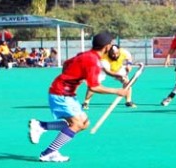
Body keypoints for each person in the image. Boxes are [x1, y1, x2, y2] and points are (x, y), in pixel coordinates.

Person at [28, 32, 128, 162]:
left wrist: (70, 77)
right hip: (60, 93)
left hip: (66, 92)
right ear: (107, 47)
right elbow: (94, 87)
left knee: (85, 123)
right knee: (77, 124)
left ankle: (42, 126)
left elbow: (66, 64)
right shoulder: (93, 61)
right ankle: (48, 152)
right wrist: (117, 91)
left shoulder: (87, 55)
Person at [82, 44, 136, 109]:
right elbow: (107, 72)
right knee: (93, 85)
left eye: (117, 53)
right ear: (109, 52)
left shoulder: (123, 52)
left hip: (117, 68)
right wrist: (119, 76)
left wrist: (129, 65)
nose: (115, 55)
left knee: (127, 82)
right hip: (102, 70)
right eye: (113, 54)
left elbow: (129, 58)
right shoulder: (103, 57)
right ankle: (86, 102)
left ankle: (128, 101)